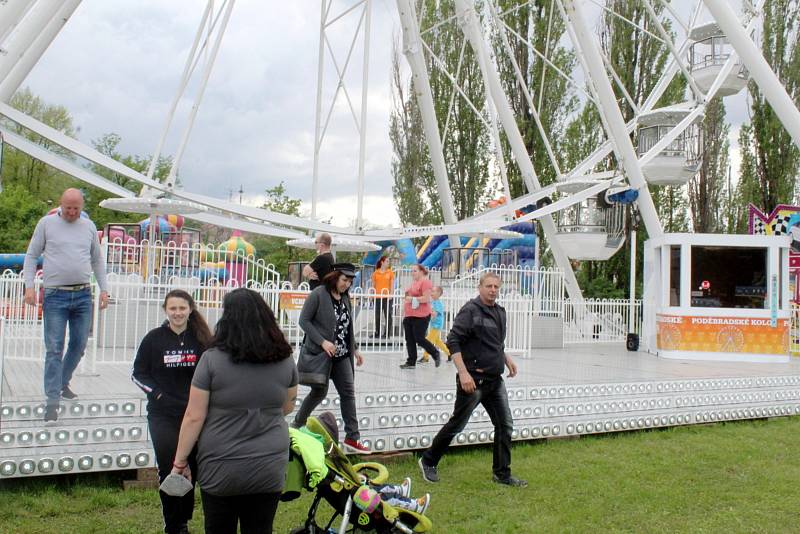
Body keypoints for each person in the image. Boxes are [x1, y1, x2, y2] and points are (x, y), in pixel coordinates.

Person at [170, 288, 298, 534]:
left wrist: (180, 462)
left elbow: (194, 416)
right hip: (269, 465)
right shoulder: (285, 359)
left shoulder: (211, 360)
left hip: (220, 466)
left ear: (227, 319)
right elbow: (287, 406)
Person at [418, 272, 527, 488]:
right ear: (480, 287)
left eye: (496, 286)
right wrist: (463, 373)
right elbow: (453, 341)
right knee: (457, 424)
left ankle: (502, 474)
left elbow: (496, 343)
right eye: (489, 286)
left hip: (495, 380)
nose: (493, 290)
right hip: (473, 380)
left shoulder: (500, 312)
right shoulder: (470, 310)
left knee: (505, 425)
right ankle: (428, 461)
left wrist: (506, 360)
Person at [23, 188, 109, 422]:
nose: (71, 213)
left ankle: (61, 382)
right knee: (54, 348)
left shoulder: (89, 227)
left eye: (76, 209)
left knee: (80, 344)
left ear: (82, 207)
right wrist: (29, 285)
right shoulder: (46, 224)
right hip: (55, 295)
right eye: (68, 208)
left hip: (82, 293)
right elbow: (31, 256)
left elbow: (97, 259)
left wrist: (104, 289)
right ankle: (52, 402)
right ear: (61, 204)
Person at [132, 289, 213, 534]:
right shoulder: (153, 339)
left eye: (182, 308)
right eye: (173, 308)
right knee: (170, 468)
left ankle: (184, 517)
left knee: (194, 466)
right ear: (166, 311)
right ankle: (174, 524)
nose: (177, 313)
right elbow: (138, 374)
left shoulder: (202, 340)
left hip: (196, 415)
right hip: (163, 416)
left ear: (190, 309)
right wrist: (157, 394)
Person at [294, 263, 371, 454]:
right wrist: (322, 342)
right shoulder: (319, 294)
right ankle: (297, 425)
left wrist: (354, 349)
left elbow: (347, 327)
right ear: (335, 277)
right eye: (344, 280)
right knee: (319, 392)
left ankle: (352, 438)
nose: (347, 284)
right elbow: (304, 321)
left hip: (342, 355)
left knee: (348, 393)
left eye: (350, 281)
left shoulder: (345, 297)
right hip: (322, 354)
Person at [399, 264, 440, 369]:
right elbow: (407, 295)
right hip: (409, 314)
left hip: (421, 315)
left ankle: (435, 353)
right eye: (412, 271)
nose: (412, 273)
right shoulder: (414, 282)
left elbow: (426, 298)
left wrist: (413, 299)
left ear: (421, 272)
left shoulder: (426, 282)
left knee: (419, 338)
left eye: (415, 271)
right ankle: (411, 362)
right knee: (410, 339)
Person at [421, 286, 450, 363]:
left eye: (433, 291)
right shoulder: (433, 302)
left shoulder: (438, 304)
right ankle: (450, 353)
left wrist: (429, 314)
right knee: (438, 341)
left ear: (439, 294)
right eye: (431, 291)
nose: (431, 293)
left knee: (428, 341)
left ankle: (425, 357)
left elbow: (435, 314)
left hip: (436, 326)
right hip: (433, 325)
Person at [371, 256, 395, 338]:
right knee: (377, 316)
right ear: (382, 262)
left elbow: (392, 285)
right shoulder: (375, 273)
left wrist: (391, 294)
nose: (388, 263)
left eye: (388, 261)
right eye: (387, 261)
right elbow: (373, 285)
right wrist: (372, 295)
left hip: (387, 297)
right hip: (377, 297)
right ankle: (377, 332)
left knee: (388, 315)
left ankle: (387, 334)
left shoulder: (390, 272)